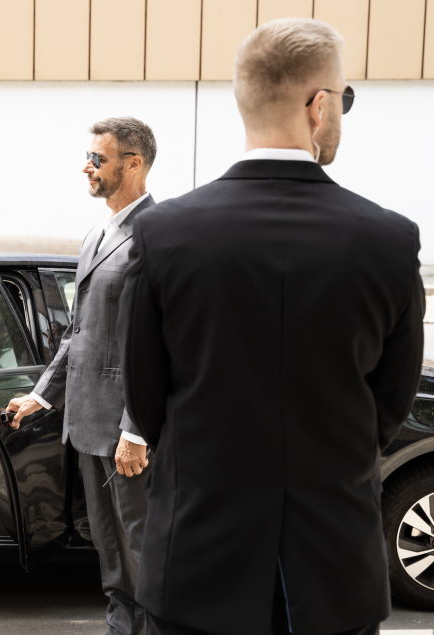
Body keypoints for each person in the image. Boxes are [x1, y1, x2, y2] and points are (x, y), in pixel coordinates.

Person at [116, 18, 424, 635]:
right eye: (344, 98)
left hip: (198, 563)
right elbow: (390, 404)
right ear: (318, 106)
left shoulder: (163, 235)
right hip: (335, 570)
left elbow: (144, 398)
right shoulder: (389, 240)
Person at [7, 117, 159, 635]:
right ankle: (122, 627)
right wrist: (41, 395)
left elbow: (159, 344)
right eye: (89, 157)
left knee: (140, 544)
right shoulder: (97, 233)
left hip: (126, 431)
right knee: (108, 544)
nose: (86, 167)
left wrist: (136, 429)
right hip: (88, 421)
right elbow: (79, 332)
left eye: (98, 158)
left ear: (132, 164)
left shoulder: (156, 236)